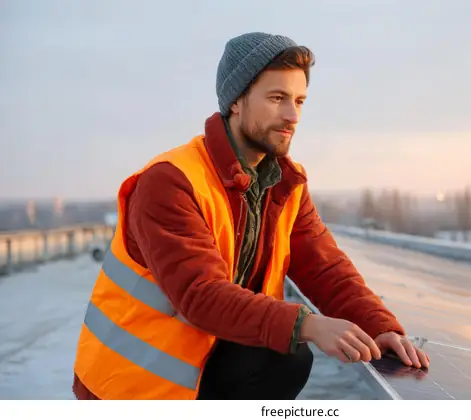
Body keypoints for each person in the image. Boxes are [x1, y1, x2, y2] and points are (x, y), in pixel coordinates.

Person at [72, 31, 429, 401]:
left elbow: (325, 269)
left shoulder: (284, 183)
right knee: (291, 348)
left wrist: (379, 326)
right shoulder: (170, 181)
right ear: (236, 101)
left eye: (300, 101)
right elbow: (200, 294)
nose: (292, 116)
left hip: (208, 361)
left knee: (283, 358)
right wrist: (307, 323)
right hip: (136, 385)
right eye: (277, 98)